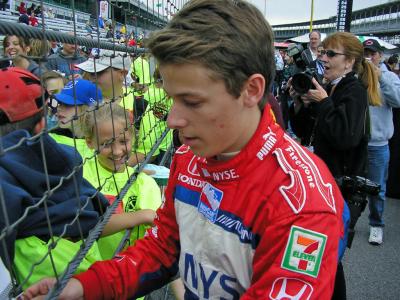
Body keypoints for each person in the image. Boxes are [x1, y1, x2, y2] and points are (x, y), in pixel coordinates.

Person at [24, 1, 347, 299]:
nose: (173, 120)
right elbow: (163, 247)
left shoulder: (302, 202)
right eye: (172, 98)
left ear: (252, 90)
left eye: (192, 102)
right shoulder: (189, 158)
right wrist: (82, 287)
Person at [0, 68, 158, 289]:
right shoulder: (74, 163)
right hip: (93, 279)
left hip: (105, 277)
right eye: (58, 103)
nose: (60, 110)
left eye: (68, 105)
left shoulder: (71, 162)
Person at [289, 31, 380, 299]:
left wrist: (324, 103)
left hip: (341, 188)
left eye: (331, 53)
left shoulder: (354, 91)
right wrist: (300, 103)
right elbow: (308, 131)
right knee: (322, 256)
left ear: (350, 62)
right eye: (322, 52)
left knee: (325, 255)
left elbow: (345, 137)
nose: (324, 58)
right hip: (324, 184)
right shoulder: (331, 87)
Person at [363, 39, 400, 245]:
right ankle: (347, 222)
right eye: (366, 53)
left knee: (377, 189)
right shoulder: (358, 74)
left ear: (380, 55)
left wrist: (381, 79)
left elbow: (398, 100)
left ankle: (376, 225)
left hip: (378, 145)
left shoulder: (389, 77)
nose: (369, 57)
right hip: (358, 142)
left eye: (373, 53)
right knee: (352, 185)